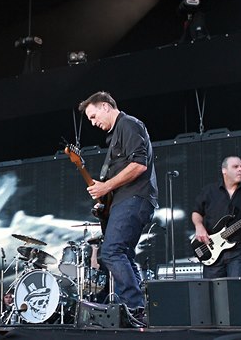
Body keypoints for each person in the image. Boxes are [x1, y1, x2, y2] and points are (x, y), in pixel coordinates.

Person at [78, 91, 158, 318]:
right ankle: (141, 309)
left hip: (136, 198)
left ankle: (133, 306)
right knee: (124, 253)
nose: (93, 123)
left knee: (111, 251)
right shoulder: (115, 137)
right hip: (128, 200)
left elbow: (139, 165)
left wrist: (106, 187)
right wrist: (104, 201)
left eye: (93, 116)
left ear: (105, 106)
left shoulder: (129, 124)